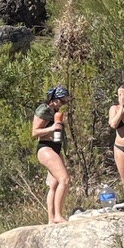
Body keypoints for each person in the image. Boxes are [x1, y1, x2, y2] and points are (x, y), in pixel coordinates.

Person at [32, 86, 71, 225]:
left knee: (54, 184)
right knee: (64, 179)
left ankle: (51, 219)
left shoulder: (55, 112)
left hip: (55, 147)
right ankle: (58, 216)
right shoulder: (43, 110)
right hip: (45, 148)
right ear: (54, 99)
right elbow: (35, 132)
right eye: (62, 101)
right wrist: (52, 128)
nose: (63, 104)